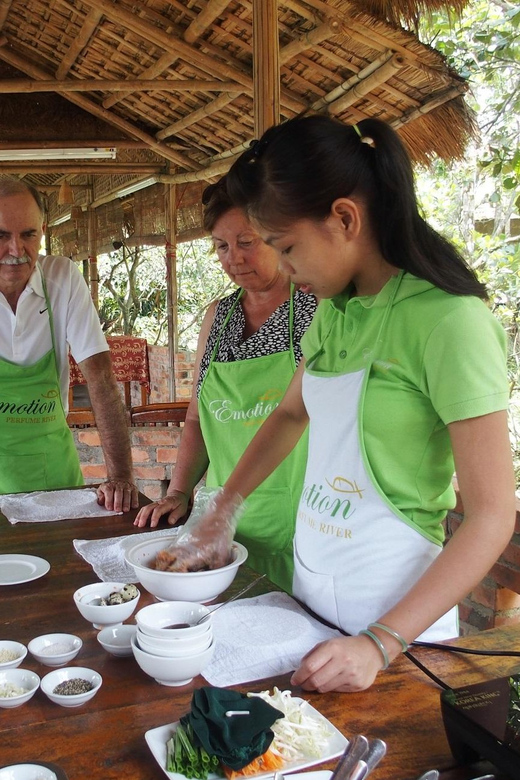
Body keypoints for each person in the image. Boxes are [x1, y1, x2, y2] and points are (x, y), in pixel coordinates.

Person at [153, 116, 516, 693]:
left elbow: (492, 516)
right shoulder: (335, 309)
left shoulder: (449, 322)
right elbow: (291, 415)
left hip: (398, 632)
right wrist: (223, 509)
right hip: (311, 598)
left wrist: (381, 642)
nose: (285, 270)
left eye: (286, 247)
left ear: (345, 218)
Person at [134, 178, 317, 592]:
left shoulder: (316, 306)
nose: (233, 258)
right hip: (221, 527)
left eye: (247, 242)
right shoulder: (218, 317)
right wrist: (179, 491)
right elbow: (198, 418)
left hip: (297, 523)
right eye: (221, 246)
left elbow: (298, 415)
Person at [0, 175, 138, 512]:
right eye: (1, 236)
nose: (16, 251)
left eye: (28, 235)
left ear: (43, 230)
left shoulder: (62, 278)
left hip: (54, 478)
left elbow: (101, 379)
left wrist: (121, 476)